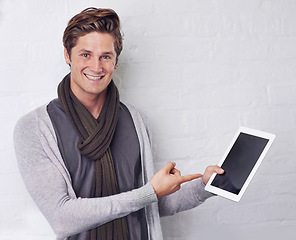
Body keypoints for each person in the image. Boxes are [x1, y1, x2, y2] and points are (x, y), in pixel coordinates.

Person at [13, 7, 224, 240]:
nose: (96, 67)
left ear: (115, 62)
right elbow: (62, 218)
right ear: (67, 55)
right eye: (85, 54)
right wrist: (149, 192)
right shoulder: (35, 128)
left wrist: (206, 185)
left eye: (105, 56)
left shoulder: (137, 121)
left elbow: (150, 205)